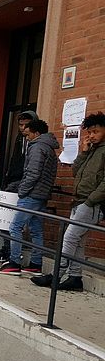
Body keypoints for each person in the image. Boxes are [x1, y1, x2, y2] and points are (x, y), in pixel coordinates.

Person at [32, 113, 105, 291]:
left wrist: (90, 201)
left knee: (70, 237)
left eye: (96, 131)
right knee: (78, 240)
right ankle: (75, 276)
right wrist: (84, 152)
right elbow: (75, 172)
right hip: (79, 200)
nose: (92, 135)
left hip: (91, 203)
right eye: (90, 132)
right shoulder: (92, 150)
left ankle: (57, 273)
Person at [0, 119, 58, 275]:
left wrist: (22, 190)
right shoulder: (49, 148)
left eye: (28, 134)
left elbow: (33, 172)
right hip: (42, 194)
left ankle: (14, 262)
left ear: (36, 133)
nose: (26, 137)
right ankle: (36, 264)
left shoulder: (37, 147)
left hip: (31, 194)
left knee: (15, 227)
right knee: (36, 230)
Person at [0, 111, 39, 264]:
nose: (23, 128)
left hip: (24, 185)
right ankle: (6, 249)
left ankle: (14, 255)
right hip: (13, 182)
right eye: (20, 125)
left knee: (16, 223)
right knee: (5, 220)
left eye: (26, 125)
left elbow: (31, 168)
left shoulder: (35, 143)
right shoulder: (19, 139)